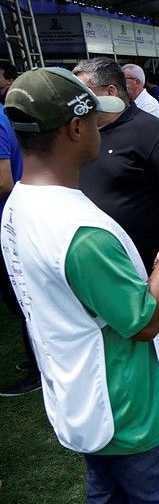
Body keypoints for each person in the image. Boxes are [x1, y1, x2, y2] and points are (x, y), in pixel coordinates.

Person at [1, 66, 159, 502]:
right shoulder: (80, 232)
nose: (102, 127)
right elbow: (145, 321)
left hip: (83, 402)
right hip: (134, 413)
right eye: (95, 118)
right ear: (75, 128)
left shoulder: (18, 204)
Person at [74, 57, 159, 426]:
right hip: (108, 264)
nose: (77, 103)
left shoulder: (150, 132)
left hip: (152, 263)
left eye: (84, 94)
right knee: (122, 339)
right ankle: (137, 402)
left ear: (111, 93)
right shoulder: (84, 132)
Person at [0, 98, 39, 397]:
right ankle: (37, 361)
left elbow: (3, 182)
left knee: (23, 300)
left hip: (10, 220)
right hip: (18, 218)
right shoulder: (7, 115)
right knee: (22, 299)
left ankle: (40, 368)